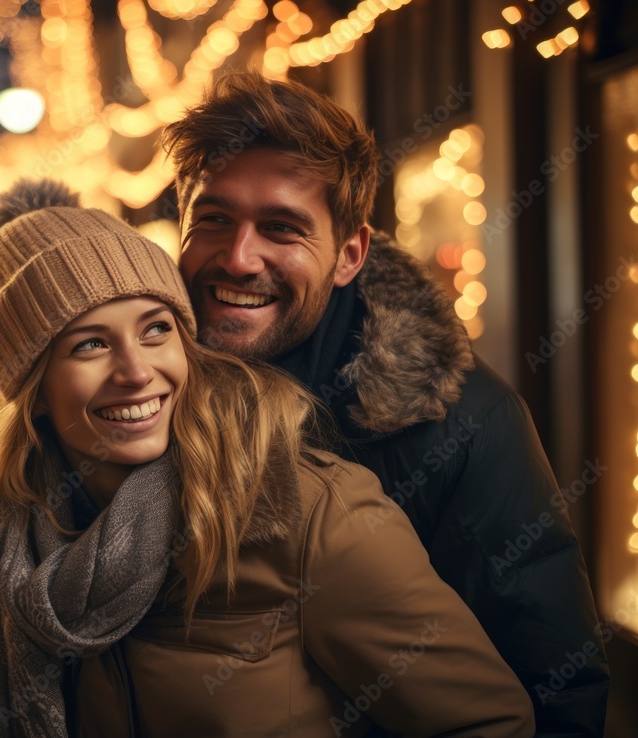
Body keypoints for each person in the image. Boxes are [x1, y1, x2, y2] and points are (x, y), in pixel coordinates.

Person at [0, 179, 534, 737]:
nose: (137, 372)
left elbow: (485, 720)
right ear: (32, 392)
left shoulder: (304, 512)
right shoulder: (3, 536)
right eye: (89, 345)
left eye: (156, 328)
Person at [158, 72, 609, 735]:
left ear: (348, 255)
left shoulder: (459, 423)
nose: (239, 257)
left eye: (281, 227)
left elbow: (556, 689)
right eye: (215, 219)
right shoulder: (142, 390)